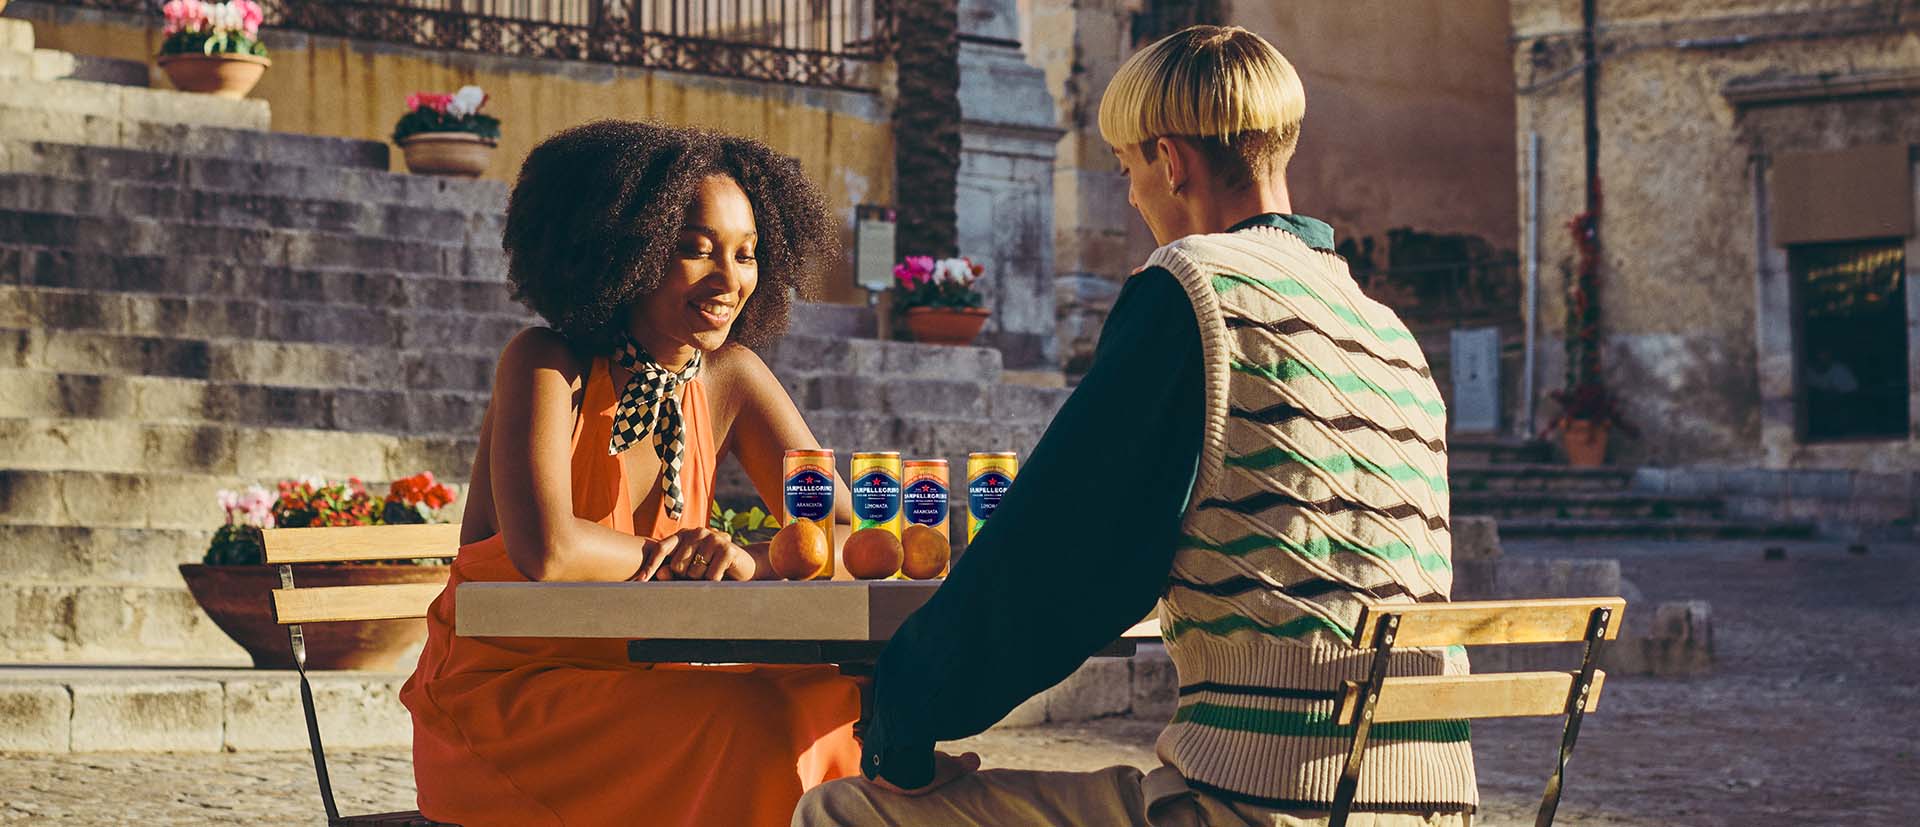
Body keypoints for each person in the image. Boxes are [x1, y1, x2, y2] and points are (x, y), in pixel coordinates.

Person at [796, 25, 1475, 827]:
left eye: (1127, 169)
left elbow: (1067, 554)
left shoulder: (1195, 289)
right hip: (1430, 799)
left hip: (1267, 801)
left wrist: (903, 725)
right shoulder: (1389, 332)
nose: (1130, 195)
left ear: (1172, 160)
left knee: (846, 811)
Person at [400, 120, 864, 827]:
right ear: (627, 248)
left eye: (747, 254)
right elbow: (547, 548)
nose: (729, 279)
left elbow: (839, 532)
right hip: (507, 702)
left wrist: (746, 559)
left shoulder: (730, 375)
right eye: (695, 250)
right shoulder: (544, 363)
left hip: (641, 683)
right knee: (752, 716)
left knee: (834, 698)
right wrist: (679, 557)